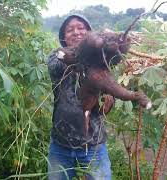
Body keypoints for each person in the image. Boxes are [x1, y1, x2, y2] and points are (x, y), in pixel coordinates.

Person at [47, 14, 118, 180]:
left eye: (81, 28)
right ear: (63, 37)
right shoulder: (57, 56)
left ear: (89, 33)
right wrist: (87, 50)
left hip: (93, 144)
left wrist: (109, 100)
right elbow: (56, 66)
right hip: (61, 142)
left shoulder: (102, 63)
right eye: (70, 30)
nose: (76, 32)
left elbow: (109, 91)